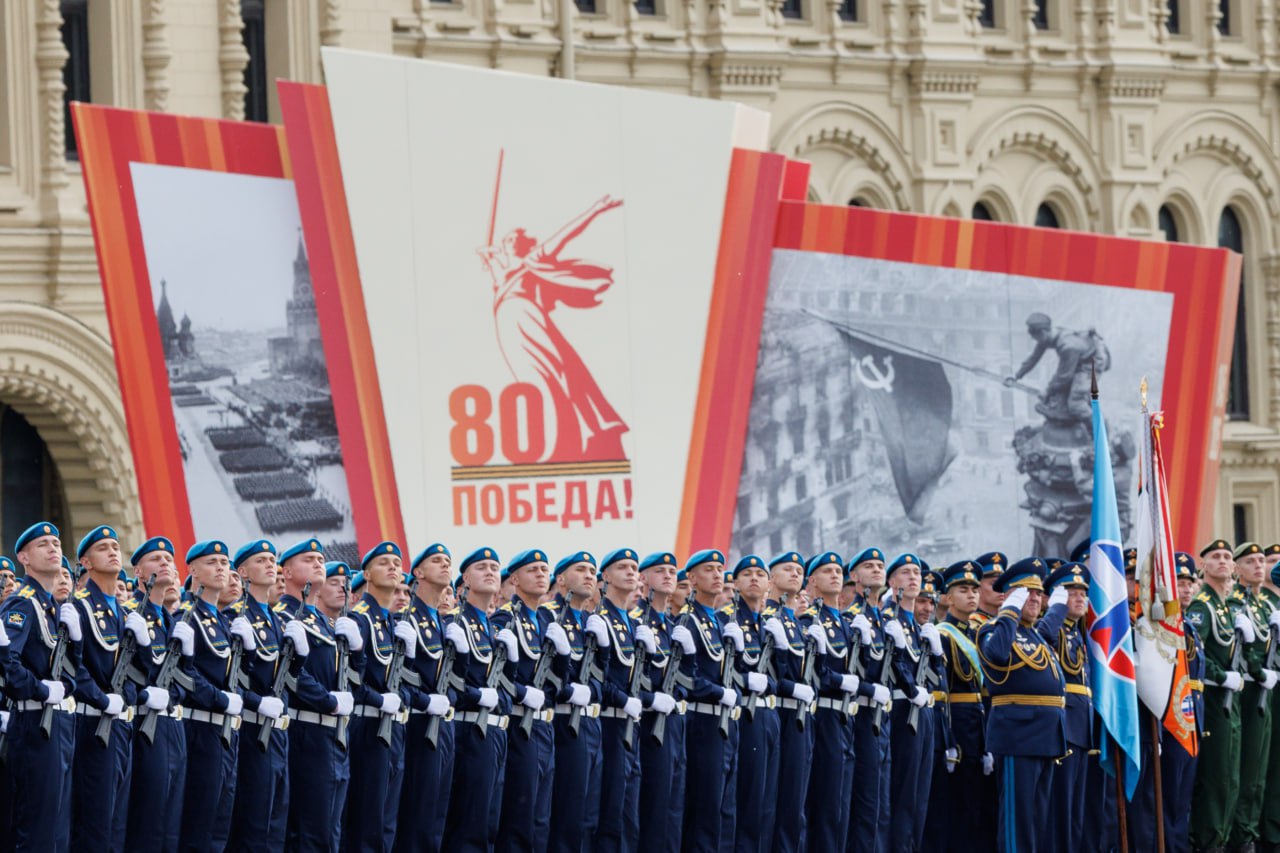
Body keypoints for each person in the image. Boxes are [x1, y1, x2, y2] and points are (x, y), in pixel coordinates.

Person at [975, 557, 1067, 853]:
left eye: (1039, 593)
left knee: (1038, 820)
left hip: (1045, 736)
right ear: (1010, 596)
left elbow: (1051, 626)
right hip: (1019, 736)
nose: (1035, 598)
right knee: (1018, 822)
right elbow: (998, 655)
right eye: (1026, 591)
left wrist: (1060, 606)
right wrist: (1009, 612)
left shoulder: (1037, 636)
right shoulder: (995, 630)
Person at [0, 522, 81, 852]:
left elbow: (69, 674)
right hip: (35, 724)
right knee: (38, 831)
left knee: (58, 831)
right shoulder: (23, 603)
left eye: (56, 542)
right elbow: (7, 662)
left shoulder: (53, 608)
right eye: (43, 544)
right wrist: (40, 690)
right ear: (24, 558)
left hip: (58, 725)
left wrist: (76, 643)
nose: (54, 548)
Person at [69, 525, 146, 852]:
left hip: (120, 725)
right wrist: (102, 698)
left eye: (115, 546)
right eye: (103, 548)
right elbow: (74, 665)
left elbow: (139, 674)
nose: (113, 551)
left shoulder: (124, 612)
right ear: (86, 562)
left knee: (117, 824)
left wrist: (142, 645)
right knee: (95, 823)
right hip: (93, 724)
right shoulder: (81, 606)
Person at [229, 539, 308, 852]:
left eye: (271, 560)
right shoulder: (237, 616)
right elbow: (232, 679)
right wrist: (256, 702)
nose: (270, 566)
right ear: (243, 572)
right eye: (261, 560)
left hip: (277, 734)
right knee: (254, 824)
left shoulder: (276, 619)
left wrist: (299, 657)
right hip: (252, 730)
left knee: (276, 823)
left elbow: (285, 679)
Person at [179, 539, 253, 852]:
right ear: (193, 569)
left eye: (224, 564)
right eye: (212, 563)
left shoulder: (223, 620)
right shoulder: (186, 616)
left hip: (225, 731)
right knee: (199, 823)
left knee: (219, 825)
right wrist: (220, 699)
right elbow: (183, 673)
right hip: (200, 727)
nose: (221, 569)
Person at [125, 536, 197, 853]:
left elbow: (183, 682)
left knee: (171, 825)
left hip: (173, 726)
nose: (165, 562)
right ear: (139, 572)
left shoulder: (169, 619)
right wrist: (143, 696)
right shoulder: (131, 614)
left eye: (169, 557)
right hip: (145, 727)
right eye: (156, 559)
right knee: (148, 821)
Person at [344, 541, 416, 853]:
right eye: (384, 562)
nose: (392, 568)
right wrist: (378, 700)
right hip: (369, 727)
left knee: (387, 819)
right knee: (367, 819)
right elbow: (349, 679)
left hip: (393, 730)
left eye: (396, 563)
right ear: (367, 574)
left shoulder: (391, 620)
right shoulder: (361, 618)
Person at [442, 547, 513, 852]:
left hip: (495, 733)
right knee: (468, 825)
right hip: (469, 731)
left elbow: (502, 688)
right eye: (481, 567)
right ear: (465, 579)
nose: (490, 572)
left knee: (489, 824)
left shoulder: (492, 628)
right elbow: (450, 685)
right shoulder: (456, 624)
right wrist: (478, 696)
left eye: (494, 567)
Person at [595, 548, 665, 852]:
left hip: (632, 725)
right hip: (610, 723)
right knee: (610, 811)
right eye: (621, 567)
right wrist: (622, 698)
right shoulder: (599, 619)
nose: (630, 572)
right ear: (606, 577)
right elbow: (597, 677)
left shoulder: (634, 624)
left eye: (633, 568)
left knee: (629, 813)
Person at [490, 549, 556, 853]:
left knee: (541, 818)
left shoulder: (546, 619)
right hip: (520, 724)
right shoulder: (506, 617)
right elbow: (496, 674)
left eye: (544, 569)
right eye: (533, 570)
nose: (541, 574)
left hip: (545, 726)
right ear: (514, 579)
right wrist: (521, 693)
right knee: (520, 815)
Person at [397, 544, 462, 853]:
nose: (445, 565)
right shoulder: (408, 619)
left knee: (437, 814)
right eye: (436, 561)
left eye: (448, 561)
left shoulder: (442, 621)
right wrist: (425, 701)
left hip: (444, 727)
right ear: (418, 573)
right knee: (418, 814)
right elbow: (398, 676)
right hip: (420, 726)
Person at [679, 549, 741, 852]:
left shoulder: (716, 621)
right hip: (702, 721)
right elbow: (682, 678)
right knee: (704, 807)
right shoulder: (688, 622)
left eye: (719, 569)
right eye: (708, 570)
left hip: (723, 722)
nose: (717, 575)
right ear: (691, 578)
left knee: (724, 807)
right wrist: (718, 693)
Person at [924, 560, 990, 849]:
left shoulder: (978, 633)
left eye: (975, 590)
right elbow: (942, 693)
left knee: (979, 802)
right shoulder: (942, 634)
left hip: (980, 724)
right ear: (947, 598)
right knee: (958, 803)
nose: (972, 596)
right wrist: (948, 738)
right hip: (958, 726)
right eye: (963, 590)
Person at [1187, 539, 1247, 851]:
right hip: (1213, 700)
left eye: (1226, 557)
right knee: (1217, 778)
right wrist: (1223, 676)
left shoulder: (1224, 607)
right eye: (1215, 557)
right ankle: (1210, 841)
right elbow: (1195, 654)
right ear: (1205, 566)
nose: (1223, 561)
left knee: (1232, 777)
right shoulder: (1203, 606)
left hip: (1231, 702)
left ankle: (1222, 839)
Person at [799, 551, 861, 853]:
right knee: (827, 802)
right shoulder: (810, 620)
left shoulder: (847, 623)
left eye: (838, 571)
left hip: (848, 719)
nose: (835, 575)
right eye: (827, 571)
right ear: (812, 581)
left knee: (844, 803)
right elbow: (811, 673)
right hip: (824, 715)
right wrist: (839, 682)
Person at [544, 551, 604, 853]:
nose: (589, 575)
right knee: (567, 814)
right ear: (561, 579)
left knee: (588, 815)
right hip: (565, 722)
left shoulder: (590, 620)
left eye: (592, 570)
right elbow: (541, 674)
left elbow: (604, 678)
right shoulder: (548, 615)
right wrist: (568, 692)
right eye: (580, 569)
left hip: (591, 723)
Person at [634, 551, 691, 853]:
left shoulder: (672, 626)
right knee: (654, 807)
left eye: (672, 571)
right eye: (660, 571)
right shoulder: (635, 622)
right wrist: (650, 699)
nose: (669, 576)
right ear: (643, 579)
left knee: (673, 809)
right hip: (647, 725)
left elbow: (684, 681)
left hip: (673, 724)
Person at [723, 554, 780, 853]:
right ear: (734, 583)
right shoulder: (726, 620)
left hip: (770, 715)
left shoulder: (768, 624)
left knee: (768, 801)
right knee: (748, 798)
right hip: (746, 714)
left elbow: (781, 676)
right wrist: (746, 681)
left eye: (760, 574)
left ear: (769, 584)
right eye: (747, 574)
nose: (754, 578)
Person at [843, 547, 898, 853]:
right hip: (860, 717)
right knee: (864, 799)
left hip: (883, 718)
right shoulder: (850, 619)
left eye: (880, 565)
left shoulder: (884, 619)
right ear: (854, 576)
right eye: (868, 566)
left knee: (881, 801)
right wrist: (868, 690)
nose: (877, 570)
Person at [1039, 561, 1092, 853]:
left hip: (1081, 724)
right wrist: (1055, 610)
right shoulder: (1052, 627)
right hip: (1063, 725)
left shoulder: (1076, 632)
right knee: (1061, 805)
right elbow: (1041, 639)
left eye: (1083, 591)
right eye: (1071, 592)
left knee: (1076, 808)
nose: (1080, 597)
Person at [1228, 541, 1277, 852]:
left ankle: (1255, 833)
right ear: (1237, 569)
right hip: (1244, 692)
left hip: (1264, 689)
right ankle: (1242, 836)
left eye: (1263, 560)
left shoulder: (1262, 606)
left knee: (1259, 771)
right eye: (1252, 561)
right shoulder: (1235, 603)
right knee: (1244, 771)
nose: (1260, 566)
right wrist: (1259, 673)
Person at [1163, 552, 1204, 853]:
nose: (1187, 589)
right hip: (1171, 721)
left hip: (1191, 718)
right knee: (1170, 794)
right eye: (1180, 582)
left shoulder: (1188, 626)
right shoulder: (1165, 625)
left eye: (1190, 582)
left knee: (1184, 795)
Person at [1004, 312, 1108, 421]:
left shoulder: (1067, 346)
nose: (1036, 341)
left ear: (1043, 333)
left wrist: (1048, 391)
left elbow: (1064, 376)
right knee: (1063, 394)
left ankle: (1099, 428)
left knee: (1076, 404)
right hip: (1080, 358)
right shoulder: (1051, 334)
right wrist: (1016, 375)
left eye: (1036, 338)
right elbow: (1033, 358)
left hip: (1091, 364)